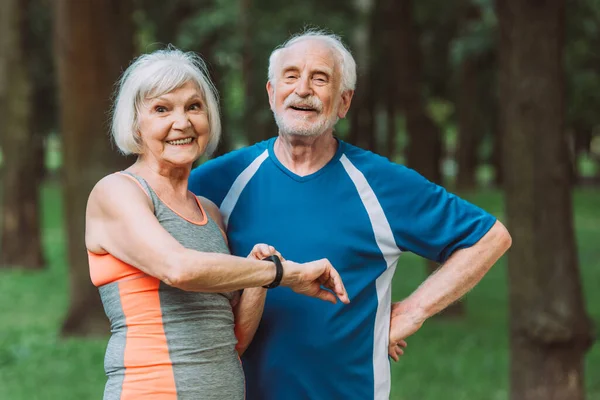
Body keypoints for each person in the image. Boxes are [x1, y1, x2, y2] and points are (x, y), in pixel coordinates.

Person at [189, 30, 512, 400]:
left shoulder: (381, 184)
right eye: (291, 76)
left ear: (343, 102)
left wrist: (412, 312)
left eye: (320, 78)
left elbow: (489, 238)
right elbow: (159, 235)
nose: (303, 89)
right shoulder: (220, 179)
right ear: (271, 94)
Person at [85, 47, 349, 400]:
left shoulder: (209, 211)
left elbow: (233, 338)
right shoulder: (118, 192)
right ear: (135, 123)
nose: (182, 123)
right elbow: (177, 268)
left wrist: (256, 278)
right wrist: (282, 274)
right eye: (162, 109)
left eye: (193, 107)